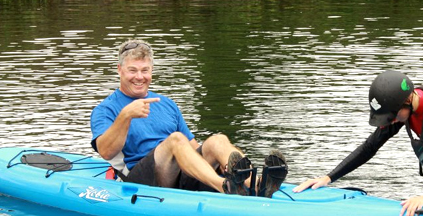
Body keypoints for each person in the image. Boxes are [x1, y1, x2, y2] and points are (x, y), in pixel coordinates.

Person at [90, 39, 288, 197]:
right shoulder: (106, 109)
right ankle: (226, 186)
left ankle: (257, 184)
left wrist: (217, 162)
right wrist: (126, 116)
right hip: (142, 179)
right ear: (120, 69)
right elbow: (106, 152)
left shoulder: (166, 103)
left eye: (145, 70)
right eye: (132, 70)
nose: (139, 77)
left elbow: (192, 148)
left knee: (217, 140)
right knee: (176, 139)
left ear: (151, 71)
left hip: (179, 174)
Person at [293, 70, 423, 216]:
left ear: (409, 99)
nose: (390, 121)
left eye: (392, 116)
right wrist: (329, 177)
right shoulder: (401, 110)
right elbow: (370, 147)